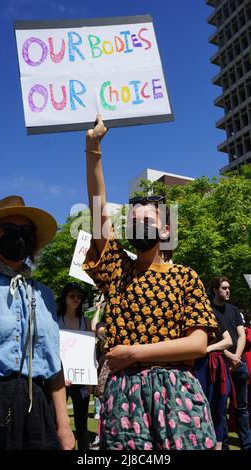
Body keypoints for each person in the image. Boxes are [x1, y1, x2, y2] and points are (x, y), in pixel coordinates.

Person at [82, 115, 218, 450]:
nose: (137, 225)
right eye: (132, 221)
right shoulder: (118, 270)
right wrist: (93, 148)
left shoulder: (185, 277)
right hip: (123, 398)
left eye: (146, 220)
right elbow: (98, 207)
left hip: (179, 394)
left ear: (166, 230)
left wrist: (134, 352)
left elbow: (198, 344)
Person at [0, 195, 75, 450]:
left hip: (38, 405)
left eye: (25, 231)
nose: (18, 236)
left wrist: (63, 425)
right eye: (9, 229)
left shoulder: (45, 294)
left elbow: (53, 364)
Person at [211, 277, 251, 450]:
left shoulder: (233, 310)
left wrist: (237, 356)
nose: (228, 291)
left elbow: (241, 335)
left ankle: (247, 445)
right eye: (224, 288)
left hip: (238, 363)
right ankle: (224, 445)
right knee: (220, 408)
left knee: (242, 408)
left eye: (229, 288)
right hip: (221, 364)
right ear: (215, 289)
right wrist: (229, 356)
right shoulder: (208, 310)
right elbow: (211, 340)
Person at [57, 282, 91, 451]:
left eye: (79, 296)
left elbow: (90, 353)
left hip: (82, 381)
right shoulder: (55, 321)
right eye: (72, 295)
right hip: (60, 381)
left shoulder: (87, 322)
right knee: (60, 424)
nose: (76, 299)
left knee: (82, 426)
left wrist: (90, 383)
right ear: (64, 298)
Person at [194, 312, 232, 450]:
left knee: (218, 410)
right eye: (224, 288)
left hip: (214, 366)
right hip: (197, 366)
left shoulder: (212, 315)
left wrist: (206, 349)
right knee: (198, 410)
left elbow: (228, 341)